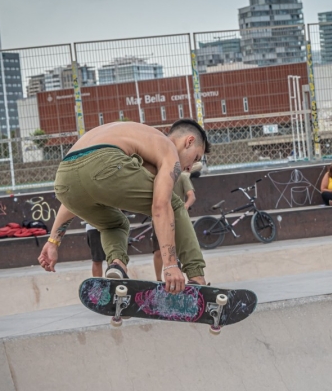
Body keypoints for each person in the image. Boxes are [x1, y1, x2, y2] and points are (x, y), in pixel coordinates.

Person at [37, 119, 209, 294]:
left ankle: (116, 266)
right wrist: (171, 265)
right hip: (106, 162)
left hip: (64, 177)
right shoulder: (167, 147)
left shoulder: (134, 140)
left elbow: (72, 197)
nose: (189, 168)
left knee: (114, 223)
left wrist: (53, 242)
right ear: (189, 141)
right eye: (195, 158)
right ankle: (197, 278)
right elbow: (161, 207)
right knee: (174, 204)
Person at [150, 162, 202, 281]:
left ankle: (190, 278)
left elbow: (191, 196)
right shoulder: (159, 177)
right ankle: (158, 280)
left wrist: (186, 206)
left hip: (178, 217)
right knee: (158, 251)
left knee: (179, 251)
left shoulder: (182, 177)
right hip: (161, 218)